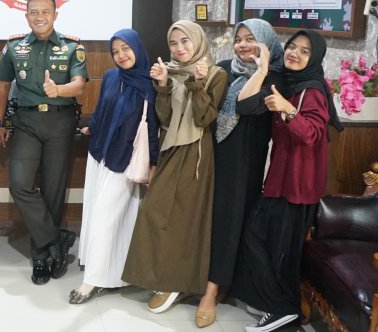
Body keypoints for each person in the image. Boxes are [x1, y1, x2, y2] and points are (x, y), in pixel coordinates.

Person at [231, 30, 343, 332]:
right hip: (280, 179)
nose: (295, 53)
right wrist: (263, 70)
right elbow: (245, 105)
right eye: (292, 47)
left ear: (315, 58)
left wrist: (288, 109)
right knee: (258, 239)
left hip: (298, 185)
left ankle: (283, 310)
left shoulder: (313, 90)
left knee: (279, 250)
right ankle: (276, 301)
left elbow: (313, 134)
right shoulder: (288, 83)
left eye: (305, 51)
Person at [122, 20, 227, 316]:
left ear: (198, 41)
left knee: (183, 219)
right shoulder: (171, 71)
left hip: (195, 153)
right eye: (173, 43)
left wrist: (197, 82)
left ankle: (176, 281)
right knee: (154, 212)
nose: (179, 48)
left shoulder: (215, 74)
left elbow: (204, 118)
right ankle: (165, 277)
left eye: (185, 41)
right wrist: (164, 86)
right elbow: (165, 118)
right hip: (170, 148)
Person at [0, 0, 88, 285]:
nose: (39, 17)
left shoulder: (72, 46)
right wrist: (0, 121)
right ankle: (56, 239)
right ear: (26, 16)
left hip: (61, 122)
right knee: (19, 184)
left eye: (45, 12)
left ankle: (41, 258)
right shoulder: (14, 47)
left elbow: (79, 85)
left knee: (53, 191)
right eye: (33, 12)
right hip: (27, 122)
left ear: (55, 15)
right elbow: (2, 84)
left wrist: (59, 90)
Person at [196, 19, 284, 327]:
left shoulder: (275, 77)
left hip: (244, 162)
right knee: (208, 218)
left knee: (230, 222)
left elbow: (246, 106)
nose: (243, 45)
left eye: (250, 39)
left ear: (266, 42)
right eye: (239, 38)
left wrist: (260, 71)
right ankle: (210, 279)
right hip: (213, 154)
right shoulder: (224, 68)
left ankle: (211, 291)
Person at [70, 29, 159, 304]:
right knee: (98, 215)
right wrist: (91, 127)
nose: (121, 55)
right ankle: (110, 273)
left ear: (137, 48)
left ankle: (91, 282)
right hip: (99, 155)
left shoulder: (151, 84)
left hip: (125, 160)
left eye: (126, 49)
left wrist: (153, 164)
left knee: (106, 217)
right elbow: (101, 110)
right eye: (115, 51)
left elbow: (152, 128)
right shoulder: (111, 76)